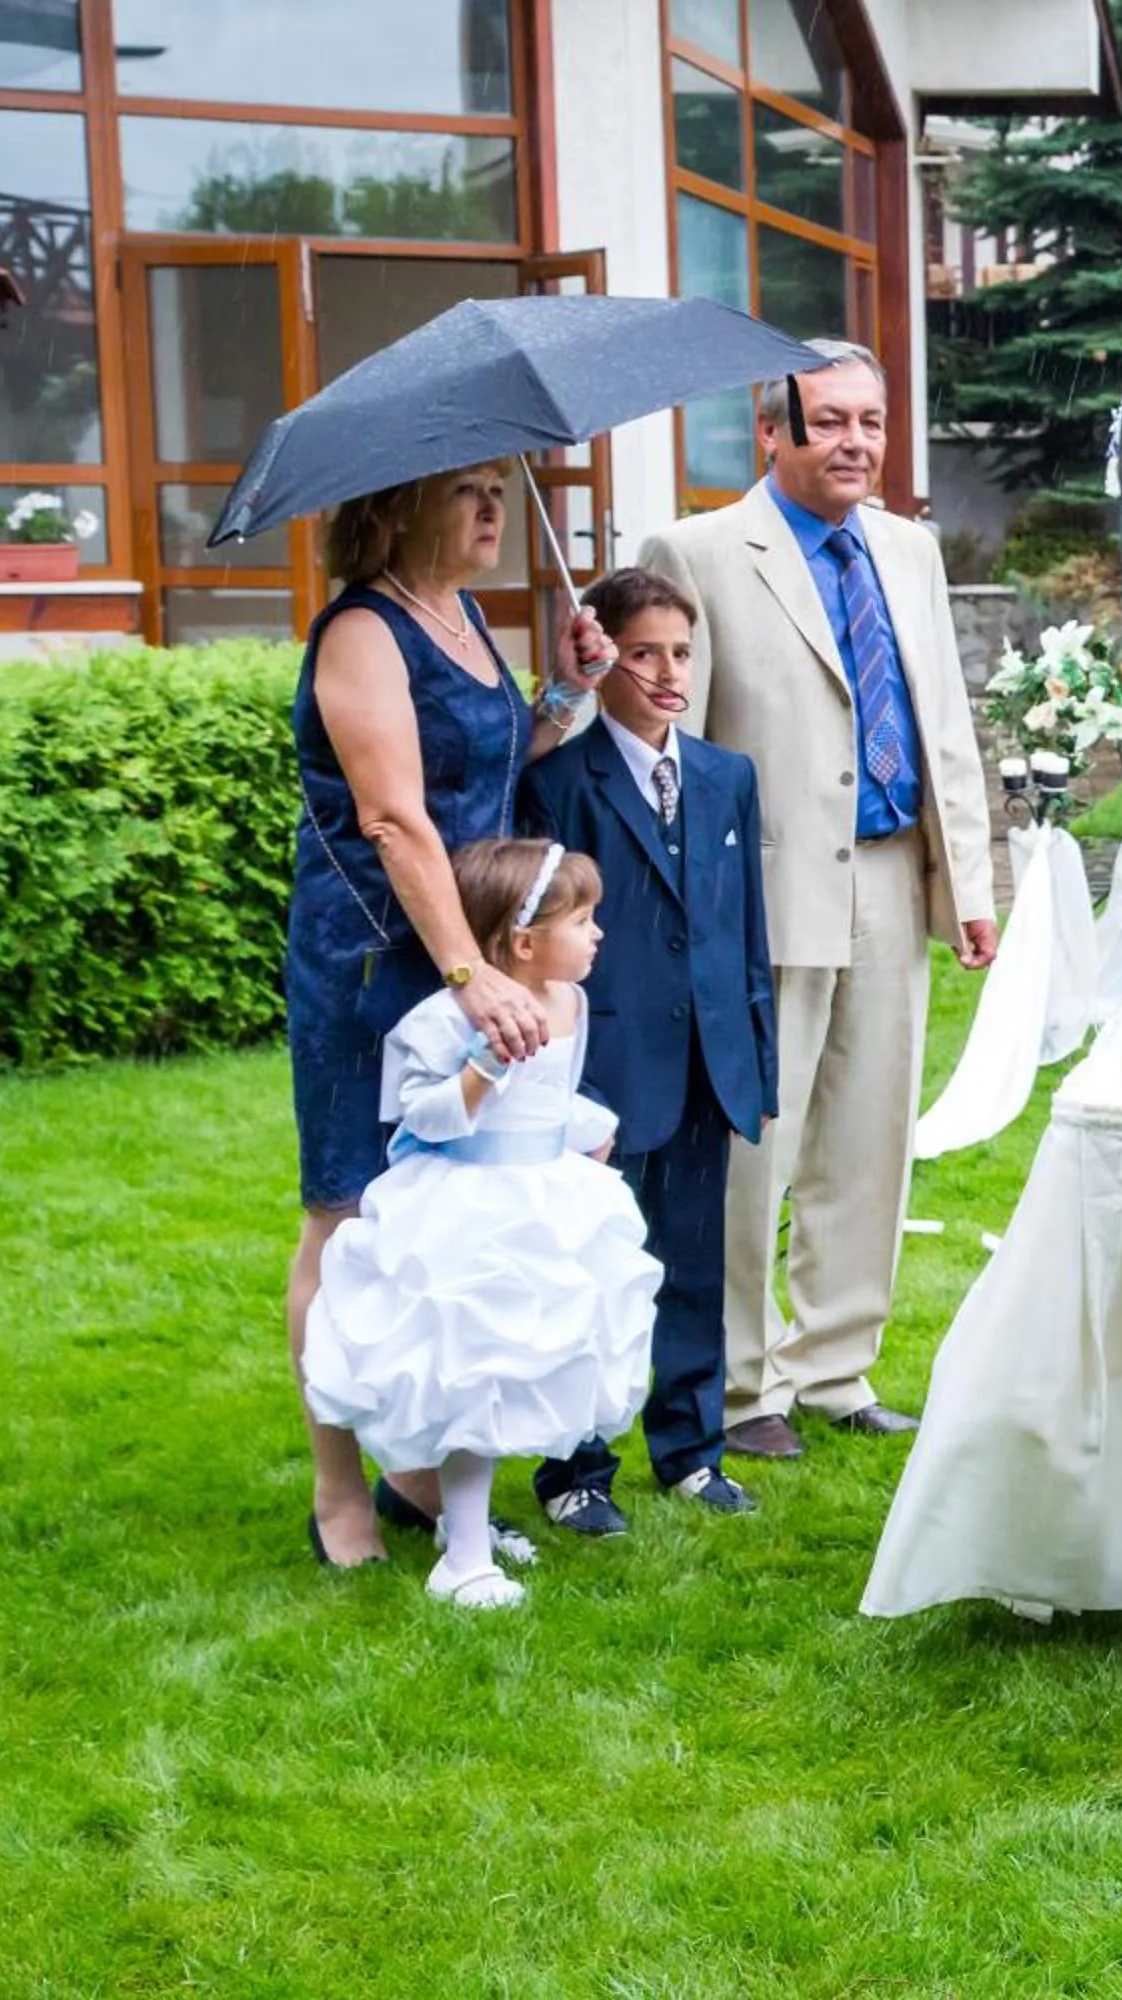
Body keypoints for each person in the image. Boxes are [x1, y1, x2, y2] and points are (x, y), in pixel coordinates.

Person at [639, 340, 998, 1460]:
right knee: (759, 1144)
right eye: (830, 422)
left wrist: (972, 882)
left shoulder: (911, 549)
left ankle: (834, 1364)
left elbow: (944, 720)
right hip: (759, 891)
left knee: (870, 1134)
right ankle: (742, 1387)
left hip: (892, 872)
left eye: (872, 423)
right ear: (772, 432)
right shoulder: (697, 550)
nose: (855, 443)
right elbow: (670, 744)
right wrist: (682, 908)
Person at [285, 461, 613, 1569]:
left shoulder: (465, 615)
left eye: (496, 489)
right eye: (467, 491)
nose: (494, 509)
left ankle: (423, 1478)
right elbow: (391, 814)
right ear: (393, 502)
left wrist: (565, 696)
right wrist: (472, 974)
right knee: (348, 1210)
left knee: (453, 1215)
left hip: (470, 944)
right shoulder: (362, 634)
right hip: (376, 953)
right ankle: (340, 1494)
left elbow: (483, 767)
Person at [301, 839, 662, 1608]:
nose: (599, 933)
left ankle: (462, 1523)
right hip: (470, 1208)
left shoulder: (571, 1001)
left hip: (545, 1201)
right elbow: (416, 1118)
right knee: (475, 1375)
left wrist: (583, 1126)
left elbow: (555, 1091)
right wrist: (483, 1069)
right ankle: (463, 1554)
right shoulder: (440, 1019)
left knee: (523, 1367)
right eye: (584, 920)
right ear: (524, 942)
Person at [518, 568, 778, 1533]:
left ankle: (692, 1449)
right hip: (606, 1068)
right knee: (591, 1268)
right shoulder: (558, 785)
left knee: (692, 1264)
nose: (668, 672)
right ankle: (576, 1468)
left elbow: (743, 926)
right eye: (642, 654)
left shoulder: (726, 778)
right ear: (603, 660)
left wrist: (755, 1052)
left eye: (681, 652)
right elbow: (543, 939)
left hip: (709, 1060)